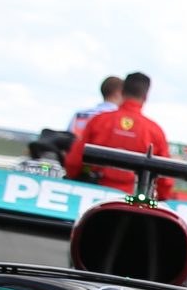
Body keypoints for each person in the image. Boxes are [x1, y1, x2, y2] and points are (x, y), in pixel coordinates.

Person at [65, 71, 176, 200]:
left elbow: (73, 163)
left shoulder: (99, 121)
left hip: (94, 196)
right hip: (133, 200)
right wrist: (160, 197)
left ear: (122, 91)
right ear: (145, 96)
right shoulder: (154, 131)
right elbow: (165, 180)